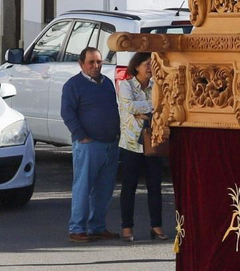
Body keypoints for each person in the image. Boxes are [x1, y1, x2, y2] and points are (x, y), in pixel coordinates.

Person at [60, 47, 121, 244]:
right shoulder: (73, 85)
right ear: (81, 64)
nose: (96, 66)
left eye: (99, 62)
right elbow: (67, 113)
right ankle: (77, 228)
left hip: (110, 144)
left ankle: (97, 226)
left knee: (104, 189)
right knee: (83, 187)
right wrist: (81, 136)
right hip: (88, 145)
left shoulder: (107, 84)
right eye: (91, 62)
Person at [116, 52, 166, 242]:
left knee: (155, 186)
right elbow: (129, 107)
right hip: (131, 144)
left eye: (152, 64)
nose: (150, 67)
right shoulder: (126, 86)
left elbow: (164, 106)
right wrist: (150, 108)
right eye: (147, 63)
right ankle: (127, 227)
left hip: (153, 142)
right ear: (136, 66)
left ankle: (156, 225)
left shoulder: (157, 86)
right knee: (129, 187)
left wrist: (144, 110)